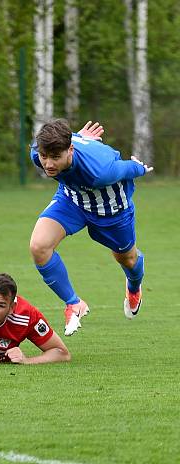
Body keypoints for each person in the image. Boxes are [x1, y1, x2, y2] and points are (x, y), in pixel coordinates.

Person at [30, 119, 152, 336]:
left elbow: (126, 168)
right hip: (73, 201)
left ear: (70, 150)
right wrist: (77, 135)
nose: (48, 164)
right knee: (39, 246)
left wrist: (140, 168)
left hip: (111, 209)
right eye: (44, 156)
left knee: (127, 259)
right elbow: (60, 144)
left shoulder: (99, 170)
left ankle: (134, 287)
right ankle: (74, 303)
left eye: (55, 158)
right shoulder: (40, 153)